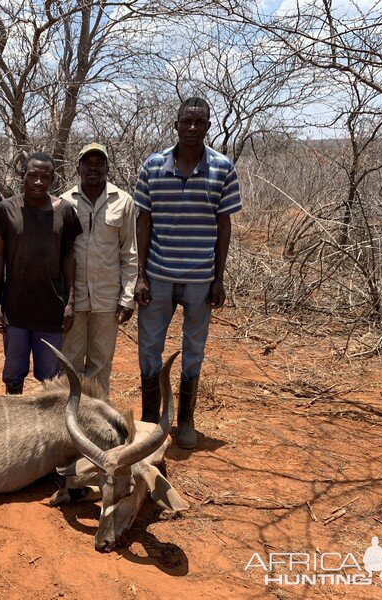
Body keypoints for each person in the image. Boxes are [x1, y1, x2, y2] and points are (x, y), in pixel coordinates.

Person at [134, 97, 242, 449]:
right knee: (150, 347)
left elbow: (223, 224)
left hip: (200, 277)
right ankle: (150, 419)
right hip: (159, 273)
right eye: (187, 121)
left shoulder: (222, 168)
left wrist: (219, 278)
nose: (193, 127)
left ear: (208, 127)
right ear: (176, 125)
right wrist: (141, 274)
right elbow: (143, 219)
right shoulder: (153, 166)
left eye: (200, 122)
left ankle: (185, 421)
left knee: (193, 348)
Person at [0, 152, 82, 394]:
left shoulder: (65, 212)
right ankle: (13, 428)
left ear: (52, 179)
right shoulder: (6, 210)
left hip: (51, 309)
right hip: (15, 308)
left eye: (45, 177)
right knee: (13, 378)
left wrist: (70, 302)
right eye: (33, 176)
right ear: (23, 176)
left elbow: (69, 259)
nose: (38, 182)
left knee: (50, 380)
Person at [60, 142, 137, 394]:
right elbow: (59, 254)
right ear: (78, 168)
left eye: (99, 163)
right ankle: (68, 419)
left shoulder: (123, 201)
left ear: (107, 167)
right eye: (87, 164)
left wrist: (127, 297)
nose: (93, 168)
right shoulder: (64, 202)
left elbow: (129, 252)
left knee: (101, 362)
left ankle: (97, 420)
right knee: (69, 360)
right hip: (74, 296)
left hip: (107, 295)